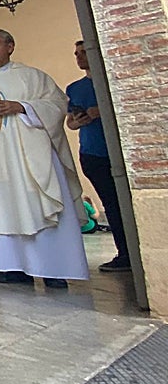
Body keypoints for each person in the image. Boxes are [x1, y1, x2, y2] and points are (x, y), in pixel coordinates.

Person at [0, 30, 89, 288]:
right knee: (1, 207)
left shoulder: (33, 77)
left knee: (39, 204)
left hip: (30, 159)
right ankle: (13, 267)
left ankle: (53, 269)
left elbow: (57, 105)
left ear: (10, 47)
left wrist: (23, 107)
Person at [66, 40, 131, 273]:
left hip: (119, 151)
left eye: (83, 52)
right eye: (76, 53)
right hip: (92, 152)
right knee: (111, 205)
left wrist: (100, 110)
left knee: (128, 204)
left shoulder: (112, 82)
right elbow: (70, 123)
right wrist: (79, 120)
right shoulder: (74, 88)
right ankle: (125, 253)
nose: (79, 57)